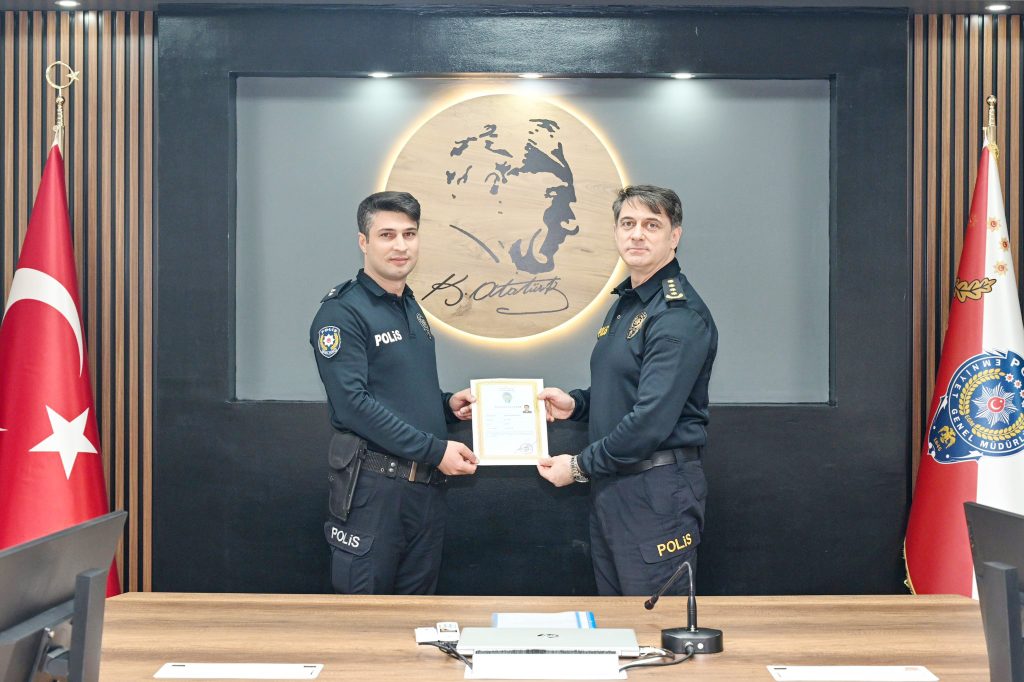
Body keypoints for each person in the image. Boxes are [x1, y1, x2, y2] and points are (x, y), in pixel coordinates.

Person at [537, 185, 718, 597]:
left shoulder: (677, 315)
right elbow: (625, 387)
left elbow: (650, 420)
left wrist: (578, 467)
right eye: (628, 223)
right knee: (618, 619)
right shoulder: (629, 303)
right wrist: (576, 404)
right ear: (616, 232)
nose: (637, 234)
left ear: (674, 236)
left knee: (654, 621)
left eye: (652, 225)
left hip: (656, 493)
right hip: (615, 486)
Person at [310, 190, 478, 595]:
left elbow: (399, 390)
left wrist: (447, 406)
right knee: (365, 619)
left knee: (417, 618)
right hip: (374, 491)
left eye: (409, 234)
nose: (400, 245)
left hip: (425, 493)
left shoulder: (410, 306)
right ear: (363, 241)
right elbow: (353, 406)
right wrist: (436, 451)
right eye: (387, 235)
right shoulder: (341, 312)